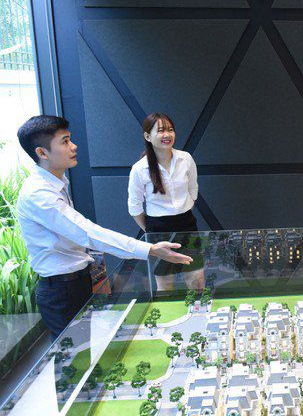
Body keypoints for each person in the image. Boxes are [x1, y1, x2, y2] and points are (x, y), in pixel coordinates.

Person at [16, 115, 193, 339]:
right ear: (42, 152)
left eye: (70, 139)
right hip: (61, 290)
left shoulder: (56, 183)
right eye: (65, 142)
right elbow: (87, 232)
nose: (74, 146)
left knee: (85, 347)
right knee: (73, 353)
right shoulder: (39, 193)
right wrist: (149, 249)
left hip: (76, 282)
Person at [128, 112, 205, 292]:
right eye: (161, 130)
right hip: (158, 229)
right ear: (148, 136)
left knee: (197, 280)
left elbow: (193, 190)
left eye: (170, 130)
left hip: (187, 224)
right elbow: (134, 207)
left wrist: (184, 208)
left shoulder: (186, 159)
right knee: (165, 286)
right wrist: (150, 230)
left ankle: (198, 308)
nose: (167, 134)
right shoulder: (139, 168)